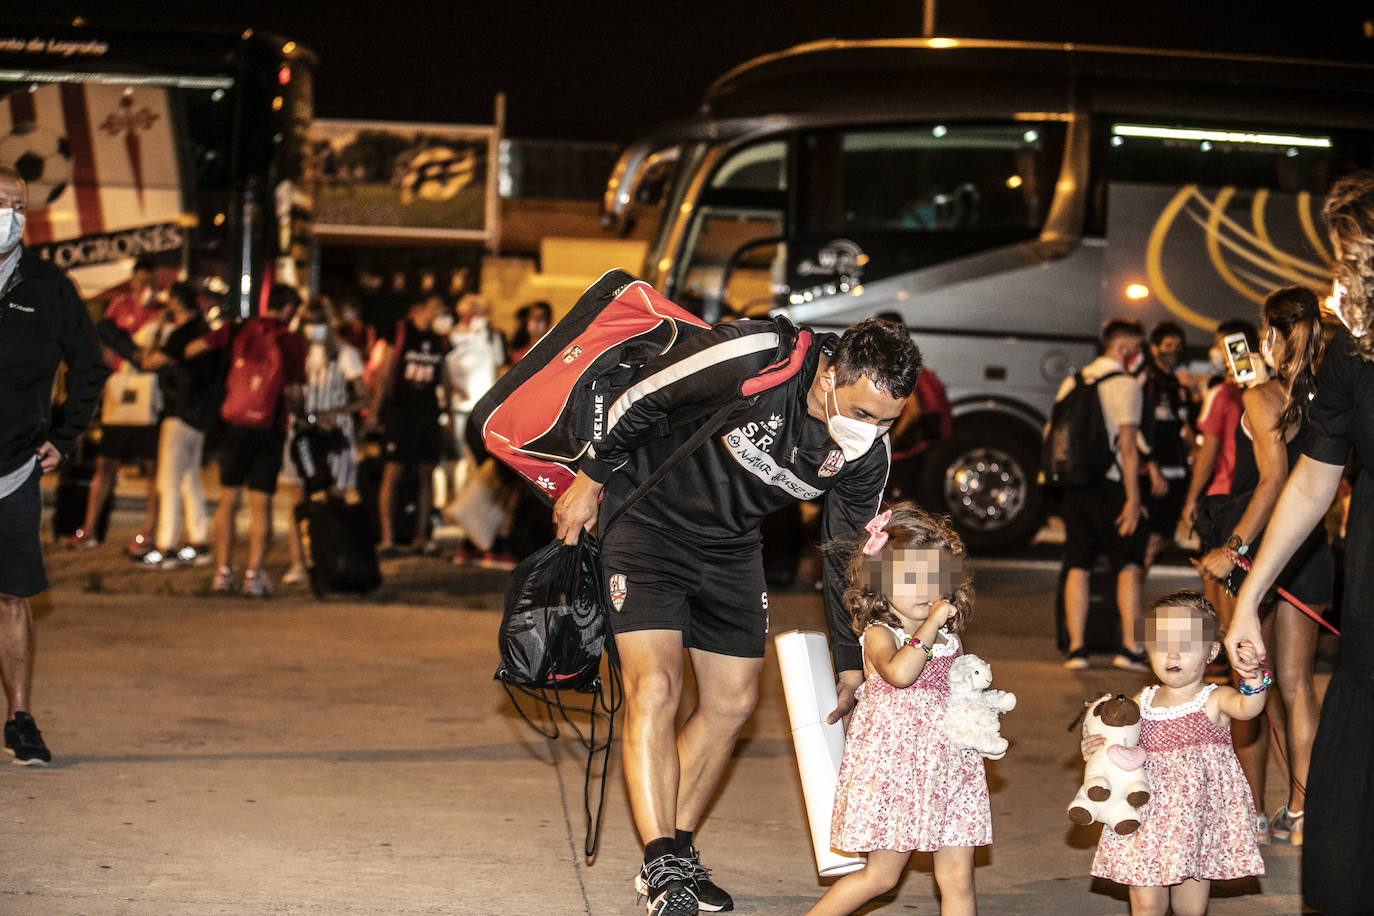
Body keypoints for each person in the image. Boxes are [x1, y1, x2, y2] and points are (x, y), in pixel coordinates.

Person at [553, 316, 920, 916]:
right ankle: (662, 864)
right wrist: (590, 477)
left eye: (887, 420)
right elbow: (641, 395)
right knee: (656, 684)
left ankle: (678, 847)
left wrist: (852, 661)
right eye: (862, 412)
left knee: (732, 702)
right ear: (829, 374)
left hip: (730, 545)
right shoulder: (756, 356)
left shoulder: (865, 456)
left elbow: (846, 557)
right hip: (647, 519)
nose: (871, 431)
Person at [1226, 170, 1374, 915]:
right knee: (1342, 861)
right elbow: (1311, 483)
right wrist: (1248, 598)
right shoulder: (1352, 356)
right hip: (1369, 622)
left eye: (1347, 261)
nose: (1336, 282)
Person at [1192, 286, 1332, 846]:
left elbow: (1272, 480)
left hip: (1262, 547)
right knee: (1299, 686)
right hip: (1313, 545)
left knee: (1250, 679)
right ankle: (1302, 812)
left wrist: (1236, 545)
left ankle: (1246, 811)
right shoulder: (1324, 394)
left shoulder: (1262, 397)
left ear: (1272, 336)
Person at [806, 504, 985, 916]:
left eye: (934, 577)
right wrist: (930, 625)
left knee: (958, 877)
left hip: (949, 766)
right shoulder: (878, 635)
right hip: (898, 771)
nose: (925, 588)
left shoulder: (946, 636)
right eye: (910, 578)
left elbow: (954, 686)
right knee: (882, 877)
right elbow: (902, 673)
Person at [0, 165, 111, 764]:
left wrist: (66, 437)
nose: (10, 215)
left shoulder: (49, 286)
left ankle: (20, 719)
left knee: (12, 596)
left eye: (18, 206)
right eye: (0, 203)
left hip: (14, 470)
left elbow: (90, 367)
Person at [1087, 591, 1267, 916]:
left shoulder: (1216, 698)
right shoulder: (1142, 699)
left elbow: (1249, 708)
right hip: (1145, 817)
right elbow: (1120, 743)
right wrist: (1098, 745)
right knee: (1146, 905)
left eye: (1184, 645)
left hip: (1193, 825)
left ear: (1211, 651)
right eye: (1160, 643)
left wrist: (1253, 676)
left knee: (1190, 909)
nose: (1171, 654)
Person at [186, 283, 307, 597]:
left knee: (229, 500)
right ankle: (254, 574)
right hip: (270, 427)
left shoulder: (237, 330)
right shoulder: (291, 342)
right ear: (290, 309)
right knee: (261, 504)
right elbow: (295, 392)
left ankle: (222, 573)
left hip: (235, 423)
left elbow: (193, 349)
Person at [1058, 319, 1150, 672]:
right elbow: (1128, 446)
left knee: (1078, 563)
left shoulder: (1074, 381)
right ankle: (1129, 648)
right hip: (1111, 486)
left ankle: (1077, 649)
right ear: (1124, 348)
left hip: (1076, 485)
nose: (1138, 355)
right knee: (1128, 563)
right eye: (1136, 348)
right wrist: (1134, 498)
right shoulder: (1127, 385)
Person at [69, 255, 162, 554]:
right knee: (105, 463)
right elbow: (106, 341)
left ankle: (149, 531)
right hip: (119, 392)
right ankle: (89, 528)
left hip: (147, 394)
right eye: (141, 280)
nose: (144, 286)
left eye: (150, 281)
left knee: (152, 468)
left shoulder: (161, 312)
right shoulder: (120, 305)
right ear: (133, 279)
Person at [1181, 320, 1258, 643]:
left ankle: (1228, 651)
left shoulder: (1224, 394)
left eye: (1224, 346)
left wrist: (1191, 499)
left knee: (1220, 577)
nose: (1219, 354)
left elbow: (1208, 451)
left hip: (1225, 498)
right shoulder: (1270, 390)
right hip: (1258, 498)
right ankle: (1244, 661)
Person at [282, 300, 368, 585]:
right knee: (299, 498)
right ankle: (299, 562)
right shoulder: (297, 354)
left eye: (318, 321)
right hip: (303, 433)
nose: (313, 328)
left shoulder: (345, 354)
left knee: (335, 498)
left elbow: (362, 397)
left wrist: (334, 413)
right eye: (308, 321)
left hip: (335, 436)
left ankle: (333, 560)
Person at [136, 282, 218, 568]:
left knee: (167, 481)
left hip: (179, 412)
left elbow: (148, 362)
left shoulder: (180, 335)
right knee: (189, 479)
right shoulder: (205, 331)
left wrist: (157, 329)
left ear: (175, 303)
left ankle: (165, 547)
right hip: (201, 415)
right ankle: (199, 543)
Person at [374, 295, 448, 556]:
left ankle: (421, 537)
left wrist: (446, 411)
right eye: (437, 307)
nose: (440, 312)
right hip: (401, 412)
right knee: (392, 472)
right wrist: (375, 410)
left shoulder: (439, 340)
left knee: (426, 474)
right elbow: (386, 371)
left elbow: (444, 377)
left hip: (428, 414)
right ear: (423, 308)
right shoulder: (401, 332)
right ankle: (388, 538)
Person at [1139, 321, 1194, 571]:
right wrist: (1151, 466)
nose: (1173, 351)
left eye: (1178, 346)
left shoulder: (1177, 385)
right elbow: (1138, 427)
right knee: (1148, 540)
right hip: (1155, 469)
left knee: (1163, 537)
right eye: (1168, 345)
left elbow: (1187, 422)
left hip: (1178, 467)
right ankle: (1130, 599)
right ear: (1154, 348)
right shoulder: (1146, 382)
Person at [508, 300, 552, 364]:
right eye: (533, 317)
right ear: (527, 321)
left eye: (541, 317)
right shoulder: (518, 355)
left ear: (548, 322)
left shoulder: (553, 352)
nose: (537, 321)